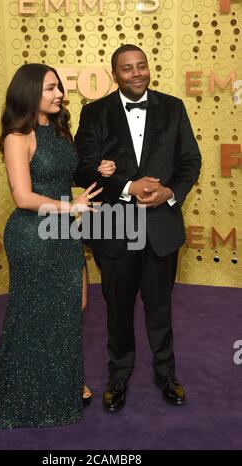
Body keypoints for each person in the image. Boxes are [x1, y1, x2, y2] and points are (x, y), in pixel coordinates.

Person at [0, 63, 116, 431]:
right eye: (51, 88)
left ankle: (60, 379)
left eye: (59, 88)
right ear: (29, 92)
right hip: (32, 235)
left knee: (75, 303)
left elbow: (54, 181)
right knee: (37, 310)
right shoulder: (17, 137)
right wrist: (72, 207)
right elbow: (22, 196)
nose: (59, 94)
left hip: (61, 226)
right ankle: (42, 389)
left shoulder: (56, 130)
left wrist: (82, 192)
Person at [74, 44, 202, 411]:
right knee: (117, 308)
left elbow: (190, 162)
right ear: (115, 75)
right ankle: (118, 374)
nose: (136, 73)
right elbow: (82, 170)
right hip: (114, 229)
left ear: (149, 68)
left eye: (141, 66)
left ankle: (166, 372)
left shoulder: (174, 107)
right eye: (127, 68)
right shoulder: (94, 113)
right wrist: (128, 187)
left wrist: (169, 193)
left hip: (161, 229)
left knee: (160, 308)